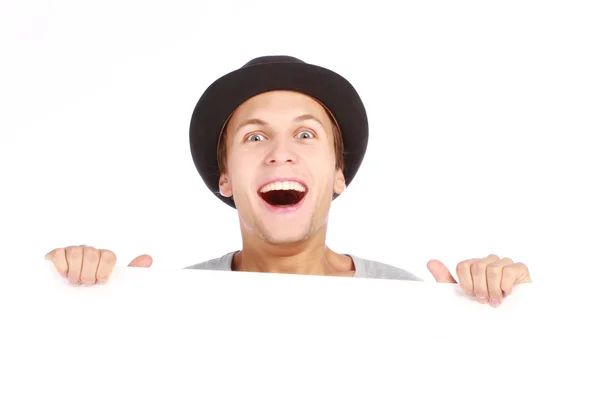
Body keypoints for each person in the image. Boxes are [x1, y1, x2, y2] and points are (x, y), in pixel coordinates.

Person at [44, 55, 532, 307]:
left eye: (305, 133)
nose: (281, 153)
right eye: (255, 138)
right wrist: (81, 304)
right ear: (227, 179)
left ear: (338, 174)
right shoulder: (176, 299)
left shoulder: (402, 297)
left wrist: (495, 315)